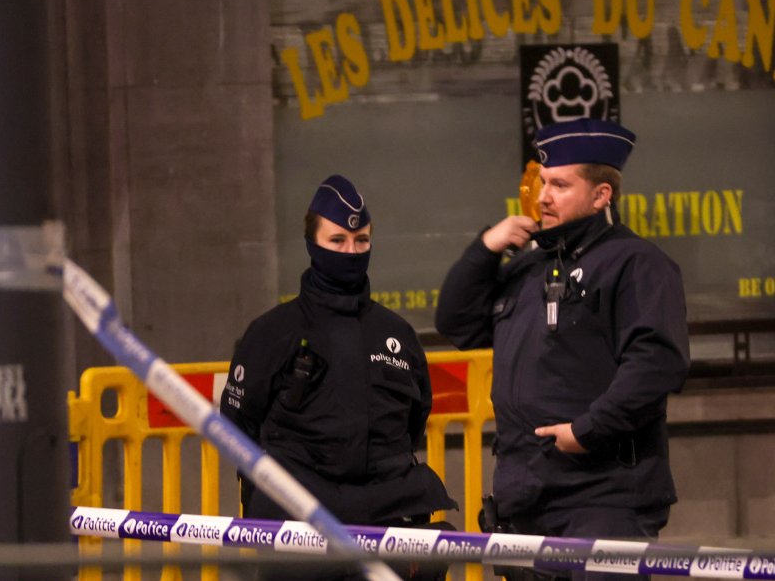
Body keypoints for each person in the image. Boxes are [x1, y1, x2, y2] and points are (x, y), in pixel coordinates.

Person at [435, 118, 690, 581]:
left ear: (601, 195)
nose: (543, 197)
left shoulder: (637, 263)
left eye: (560, 185)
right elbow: (456, 323)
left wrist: (587, 431)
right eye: (543, 183)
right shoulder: (529, 268)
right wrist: (487, 248)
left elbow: (657, 363)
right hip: (524, 497)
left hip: (602, 496)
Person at [222, 174, 456, 580]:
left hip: (388, 521)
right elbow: (238, 426)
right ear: (313, 243)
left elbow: (414, 421)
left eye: (361, 241)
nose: (351, 251)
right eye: (337, 241)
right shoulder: (272, 333)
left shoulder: (396, 334)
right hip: (299, 528)